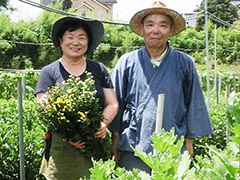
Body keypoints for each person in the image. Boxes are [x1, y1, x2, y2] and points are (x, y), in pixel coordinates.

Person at [109, 1, 213, 173]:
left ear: (171, 30)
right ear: (142, 28)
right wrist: (115, 140)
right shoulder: (126, 62)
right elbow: (115, 102)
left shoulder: (184, 63)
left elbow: (193, 101)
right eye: (150, 25)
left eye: (163, 25)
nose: (155, 30)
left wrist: (189, 143)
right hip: (133, 144)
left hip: (173, 146)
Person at [35, 16, 118, 180]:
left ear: (88, 42)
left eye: (81, 37)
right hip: (62, 149)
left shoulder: (98, 69)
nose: (76, 42)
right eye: (70, 37)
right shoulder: (49, 71)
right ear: (60, 41)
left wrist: (103, 124)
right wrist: (70, 134)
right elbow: (44, 106)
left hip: (94, 142)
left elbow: (112, 103)